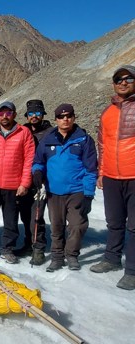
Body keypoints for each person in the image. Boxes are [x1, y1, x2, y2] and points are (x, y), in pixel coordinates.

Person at [33, 104, 97, 272]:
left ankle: (72, 255)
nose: (65, 119)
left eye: (69, 116)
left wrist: (88, 193)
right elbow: (38, 161)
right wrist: (37, 172)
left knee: (78, 224)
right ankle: (57, 257)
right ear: (56, 120)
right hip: (54, 191)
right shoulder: (48, 139)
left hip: (77, 191)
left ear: (74, 117)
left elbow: (91, 168)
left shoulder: (83, 139)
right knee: (56, 226)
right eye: (61, 117)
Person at [91, 65, 135, 290]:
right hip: (111, 176)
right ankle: (111, 258)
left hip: (133, 175)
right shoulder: (107, 112)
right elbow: (102, 144)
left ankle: (132, 270)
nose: (123, 82)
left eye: (128, 78)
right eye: (119, 79)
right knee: (114, 222)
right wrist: (101, 173)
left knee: (134, 225)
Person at [0, 102, 35, 264]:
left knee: (10, 219)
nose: (5, 116)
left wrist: (25, 183)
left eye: (8, 113)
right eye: (2, 113)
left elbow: (29, 160)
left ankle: (7, 248)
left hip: (13, 185)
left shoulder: (24, 132)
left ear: (15, 114)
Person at [17, 99, 52, 265]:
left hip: (41, 181)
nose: (34, 116)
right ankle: (28, 243)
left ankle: (38, 248)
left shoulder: (51, 132)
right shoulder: (23, 131)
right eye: (31, 113)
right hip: (24, 180)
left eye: (38, 113)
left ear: (43, 114)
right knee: (25, 215)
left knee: (36, 217)